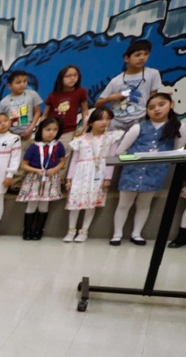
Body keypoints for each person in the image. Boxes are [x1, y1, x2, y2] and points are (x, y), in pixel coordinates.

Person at [110, 92, 185, 246]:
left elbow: (177, 152)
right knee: (124, 204)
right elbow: (120, 151)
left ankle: (136, 234)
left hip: (155, 173)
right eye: (151, 107)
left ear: (171, 104)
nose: (157, 109)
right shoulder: (138, 127)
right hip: (132, 172)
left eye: (161, 105)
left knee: (144, 204)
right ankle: (117, 234)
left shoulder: (179, 127)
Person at [64, 107, 122, 243]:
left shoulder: (111, 138)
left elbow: (111, 159)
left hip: (98, 172)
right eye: (100, 119)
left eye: (107, 119)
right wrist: (69, 178)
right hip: (80, 173)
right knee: (75, 202)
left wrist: (108, 178)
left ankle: (84, 231)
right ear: (91, 122)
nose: (104, 122)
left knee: (91, 203)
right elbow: (74, 160)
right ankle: (71, 230)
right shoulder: (81, 139)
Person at [95, 40, 163, 132]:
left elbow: (153, 98)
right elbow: (98, 104)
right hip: (117, 121)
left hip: (141, 119)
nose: (142, 58)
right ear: (127, 58)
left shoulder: (153, 74)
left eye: (146, 54)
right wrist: (111, 98)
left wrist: (162, 98)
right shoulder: (116, 81)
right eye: (138, 55)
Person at [16, 117, 67, 241]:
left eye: (55, 130)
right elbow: (24, 165)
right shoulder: (33, 147)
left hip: (50, 178)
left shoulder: (58, 146)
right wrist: (36, 170)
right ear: (41, 130)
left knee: (44, 205)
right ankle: (27, 230)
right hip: (35, 178)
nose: (51, 132)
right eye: (48, 129)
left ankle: (39, 230)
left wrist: (55, 169)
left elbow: (62, 161)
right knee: (32, 204)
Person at [0, 70, 43, 190]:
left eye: (24, 81)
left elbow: (37, 112)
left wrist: (31, 129)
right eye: (18, 82)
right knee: (11, 159)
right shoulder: (4, 102)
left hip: (27, 134)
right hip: (11, 135)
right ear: (9, 85)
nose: (22, 84)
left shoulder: (31, 95)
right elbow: (0, 119)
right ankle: (8, 183)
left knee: (24, 158)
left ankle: (18, 184)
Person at [44, 65, 90, 148]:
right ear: (61, 78)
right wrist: (41, 130)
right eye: (68, 76)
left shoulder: (81, 92)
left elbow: (85, 110)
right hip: (51, 131)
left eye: (75, 75)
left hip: (69, 131)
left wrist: (84, 126)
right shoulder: (53, 95)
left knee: (64, 152)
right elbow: (45, 115)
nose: (72, 78)